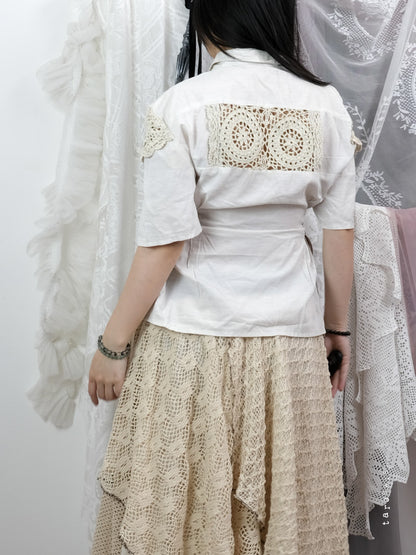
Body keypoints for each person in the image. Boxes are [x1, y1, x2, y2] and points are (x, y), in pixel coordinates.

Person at [89, 0, 358, 553]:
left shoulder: (182, 104)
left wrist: (112, 345)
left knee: (186, 521)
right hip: (290, 345)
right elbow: (340, 234)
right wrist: (338, 329)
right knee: (287, 521)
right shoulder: (326, 106)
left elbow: (165, 242)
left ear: (209, 17)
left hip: (192, 342)